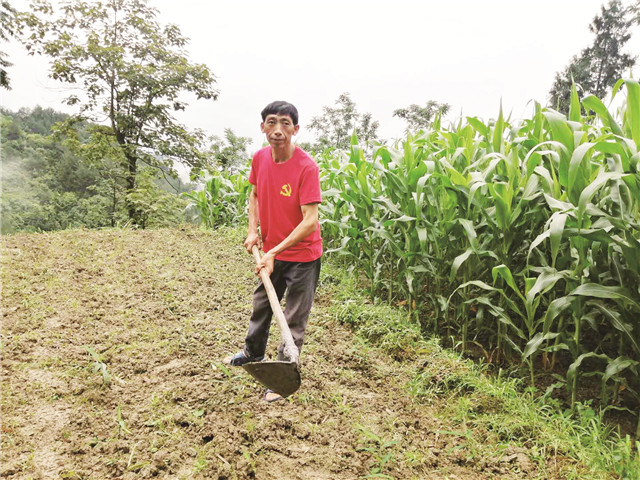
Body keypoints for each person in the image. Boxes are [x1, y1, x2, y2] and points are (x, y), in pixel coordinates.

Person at [224, 101, 322, 403]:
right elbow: (254, 193)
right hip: (272, 252)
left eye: (285, 123)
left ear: (295, 129)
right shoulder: (260, 159)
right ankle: (252, 353)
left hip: (303, 256)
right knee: (262, 305)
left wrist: (273, 251)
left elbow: (310, 221)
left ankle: (281, 375)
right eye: (271, 122)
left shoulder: (306, 167)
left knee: (292, 317)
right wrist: (253, 231)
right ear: (263, 126)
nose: (277, 130)